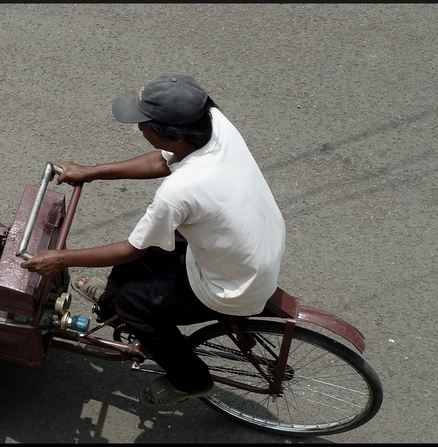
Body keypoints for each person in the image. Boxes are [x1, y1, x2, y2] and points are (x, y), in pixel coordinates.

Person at [19, 73, 286, 406]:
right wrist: (92, 171)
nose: (140, 130)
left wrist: (60, 258)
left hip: (230, 283)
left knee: (135, 301)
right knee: (149, 250)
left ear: (169, 134)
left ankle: (189, 380)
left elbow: (130, 251)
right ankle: (109, 304)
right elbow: (163, 159)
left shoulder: (181, 190)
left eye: (142, 125)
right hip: (253, 239)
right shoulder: (213, 124)